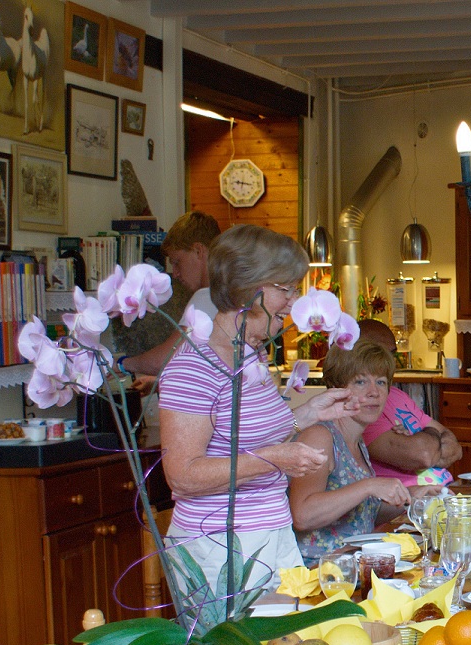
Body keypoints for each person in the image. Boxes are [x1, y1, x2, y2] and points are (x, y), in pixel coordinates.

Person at [158, 224, 358, 592]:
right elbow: (182, 475)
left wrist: (310, 412)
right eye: (286, 289)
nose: (294, 302)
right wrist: (275, 459)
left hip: (270, 536)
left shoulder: (249, 355)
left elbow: (246, 438)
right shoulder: (194, 366)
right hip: (220, 548)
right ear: (249, 289)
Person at [291, 341, 442, 563]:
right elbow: (302, 515)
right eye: (360, 381)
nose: (374, 392)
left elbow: (359, 513)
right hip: (318, 574)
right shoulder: (320, 437)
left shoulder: (357, 441)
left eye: (381, 382)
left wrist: (410, 497)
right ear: (337, 388)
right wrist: (369, 486)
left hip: (354, 567)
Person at [356, 319, 462, 488]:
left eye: (392, 354)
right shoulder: (364, 404)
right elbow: (424, 455)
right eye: (381, 354)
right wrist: (431, 432)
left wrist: (422, 439)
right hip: (407, 504)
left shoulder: (396, 395)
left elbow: (456, 449)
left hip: (443, 492)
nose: (390, 363)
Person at [119, 211, 221, 379]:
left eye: (176, 262)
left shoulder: (206, 296)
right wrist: (157, 382)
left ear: (198, 251)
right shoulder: (228, 290)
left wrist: (123, 364)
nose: (175, 273)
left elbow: (168, 358)